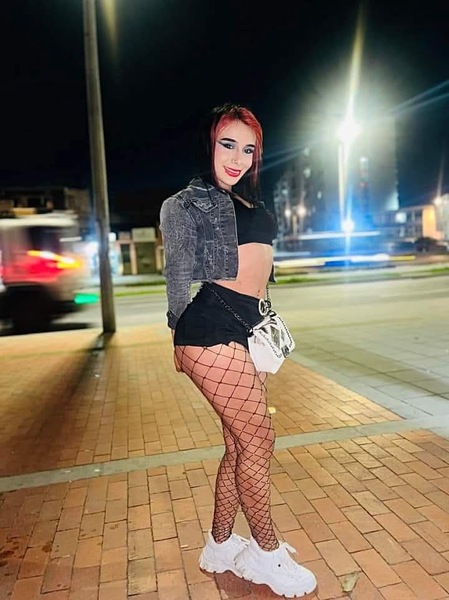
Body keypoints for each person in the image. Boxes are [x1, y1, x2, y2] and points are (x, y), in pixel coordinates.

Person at [159, 104, 317, 598]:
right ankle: (266, 554)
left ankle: (220, 544)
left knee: (239, 443)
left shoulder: (252, 201)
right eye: (227, 144)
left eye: (248, 149)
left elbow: (260, 273)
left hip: (250, 327)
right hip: (209, 328)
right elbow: (177, 278)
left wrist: (265, 324)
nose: (238, 158)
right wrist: (178, 333)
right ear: (208, 144)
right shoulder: (186, 203)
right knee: (259, 441)